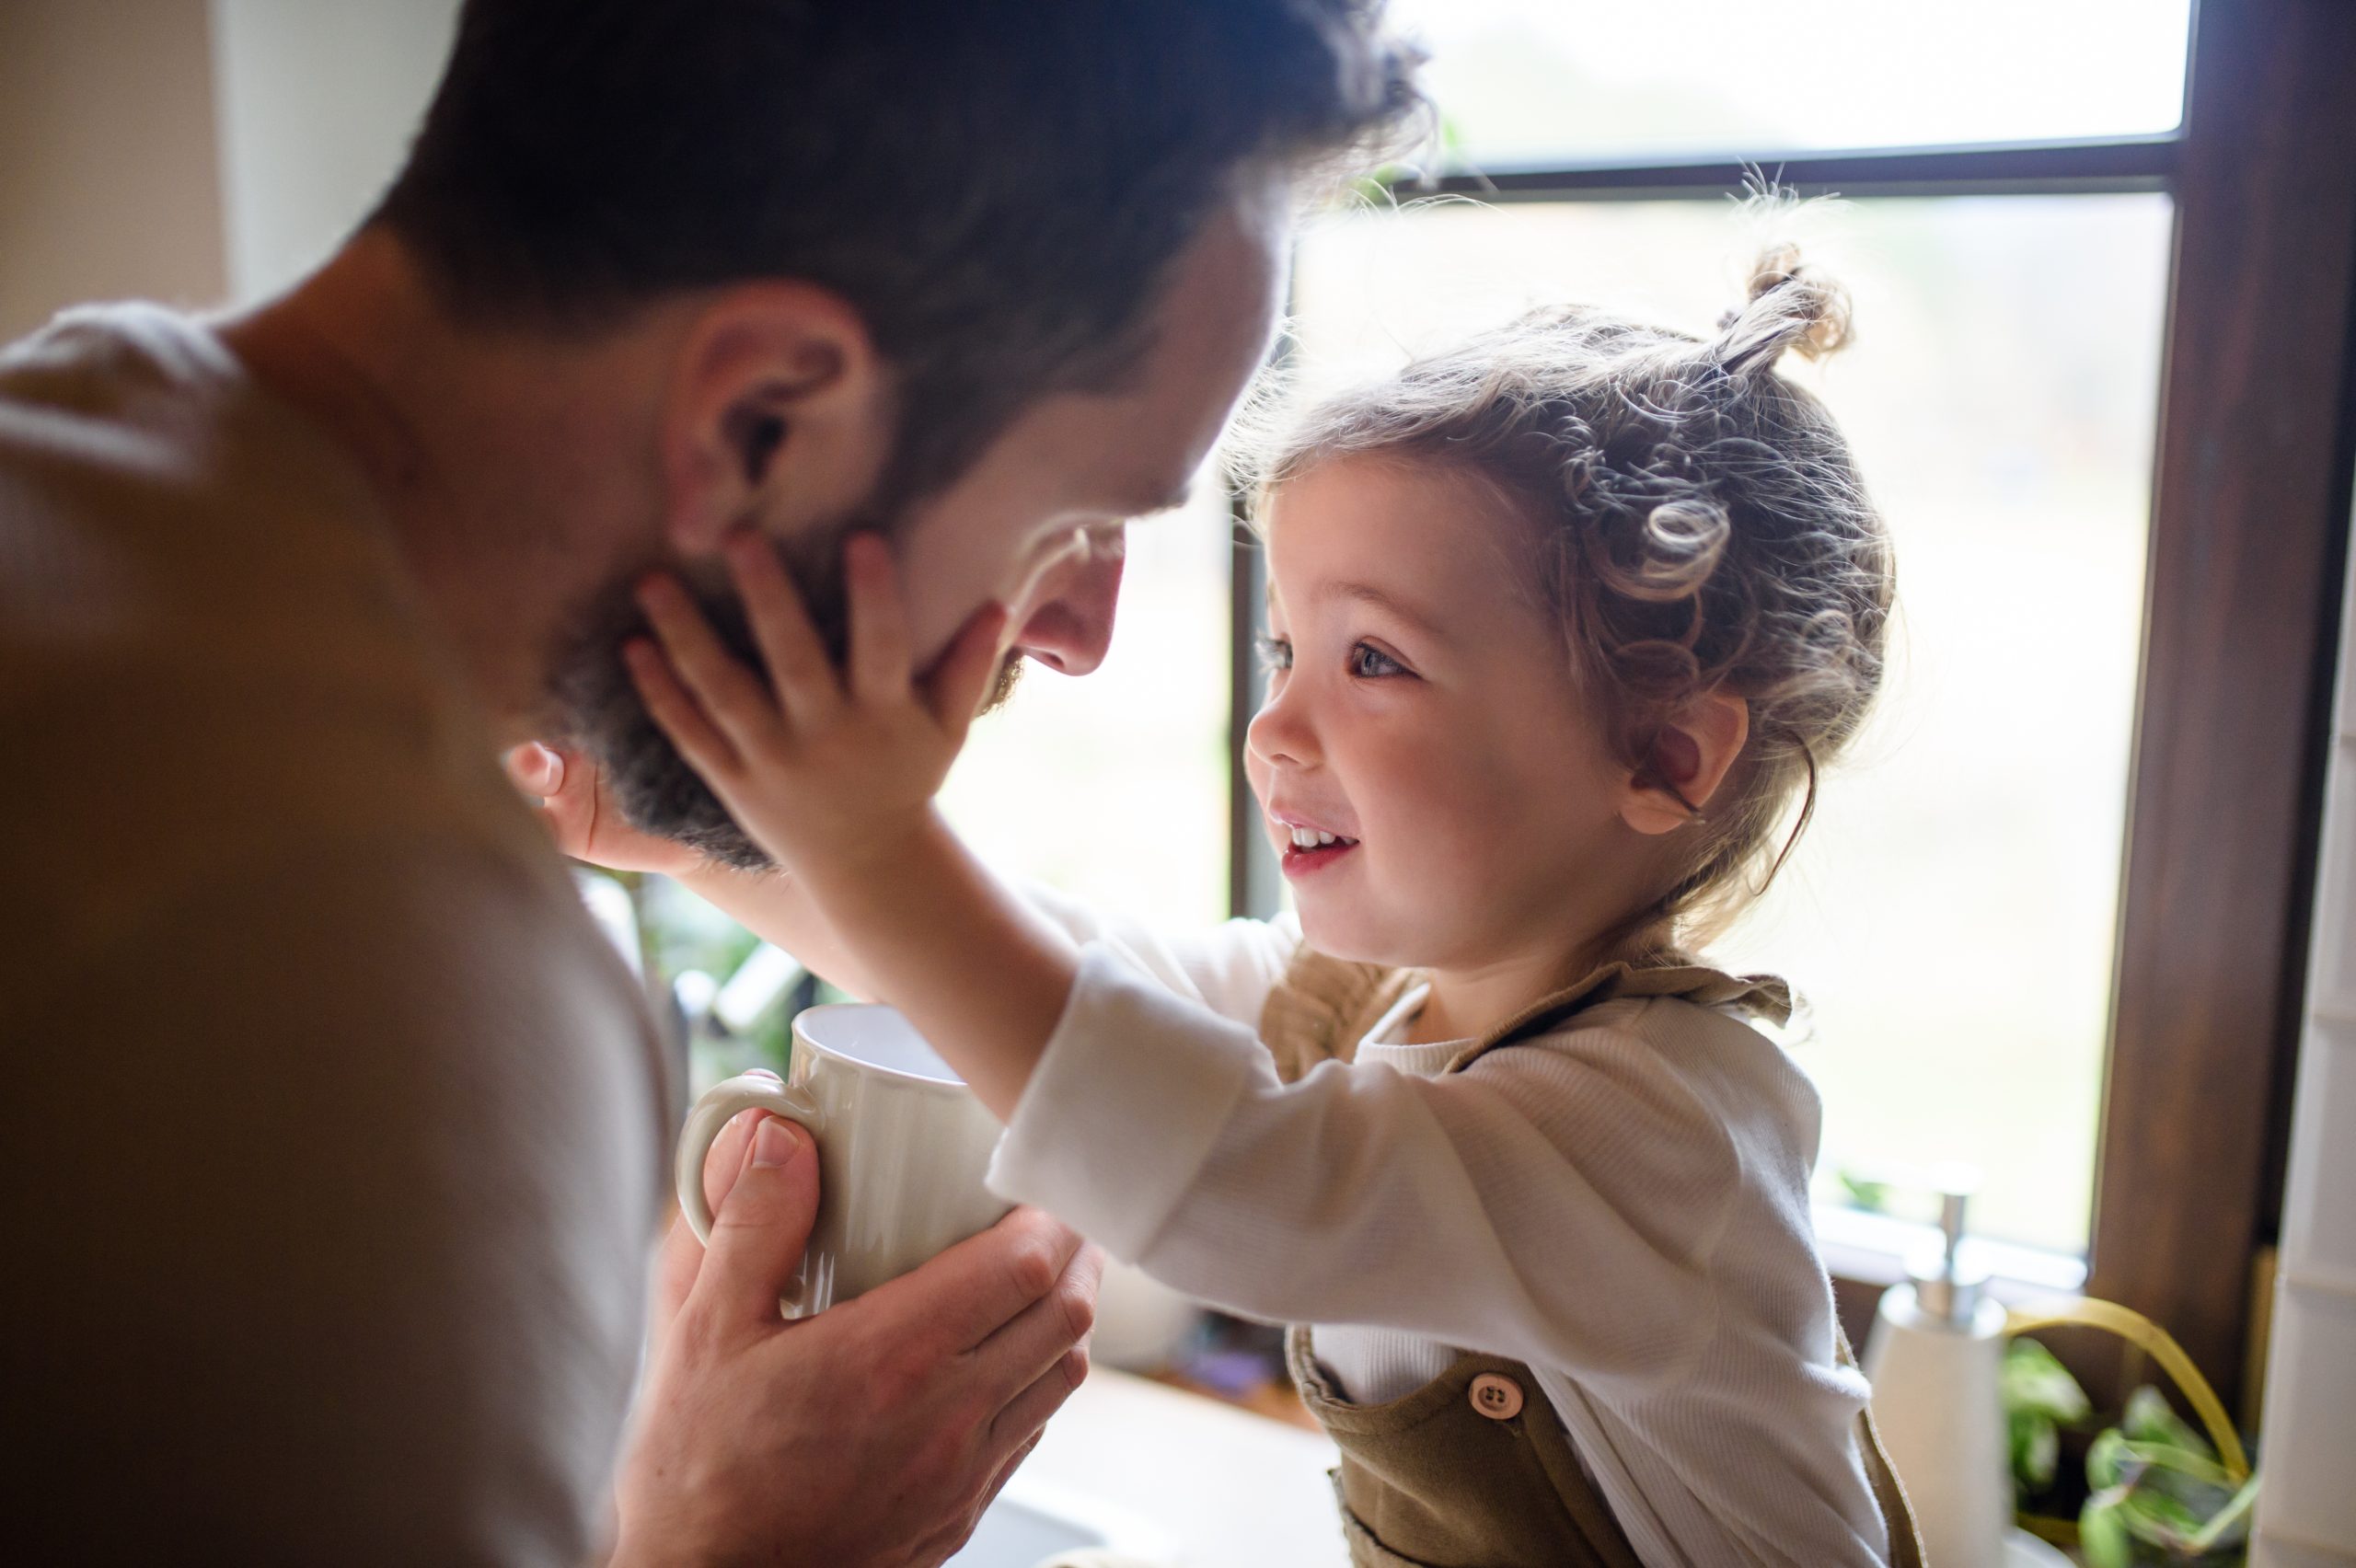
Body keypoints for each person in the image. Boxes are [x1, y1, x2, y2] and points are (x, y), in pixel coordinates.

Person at [0, 2, 1419, 1562]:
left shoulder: (73, 458)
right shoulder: (370, 960)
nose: (1080, 634)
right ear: (761, 417)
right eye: (1077, 513)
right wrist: (726, 1544)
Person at [573, 243, 1928, 1567]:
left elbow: (1245, 1182)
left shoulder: (1664, 1133)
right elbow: (1089, 975)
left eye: (1376, 659)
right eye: (1286, 647)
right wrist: (699, 844)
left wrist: (870, 838)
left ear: (1663, 757)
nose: (1275, 727)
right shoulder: (1386, 1006)